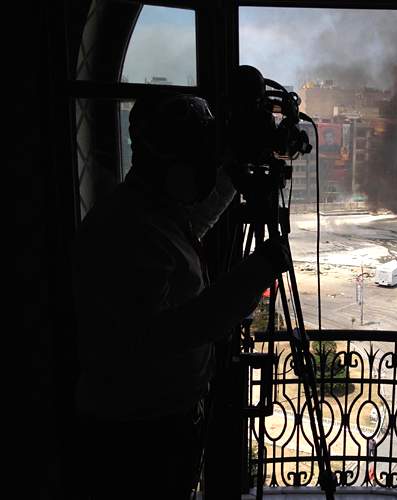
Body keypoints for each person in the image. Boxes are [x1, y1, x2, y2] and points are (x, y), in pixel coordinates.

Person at [72, 92, 291, 499]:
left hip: (148, 423)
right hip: (138, 437)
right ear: (166, 158)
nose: (204, 168)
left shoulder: (147, 211)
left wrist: (231, 176)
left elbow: (191, 225)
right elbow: (162, 334)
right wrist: (251, 277)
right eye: (197, 158)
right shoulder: (127, 227)